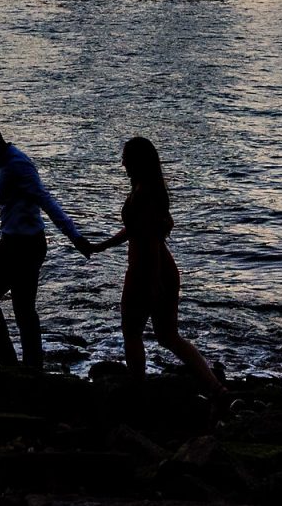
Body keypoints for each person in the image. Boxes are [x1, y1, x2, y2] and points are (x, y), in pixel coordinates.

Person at [82, 136, 226, 402]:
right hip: (159, 270)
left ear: (137, 161)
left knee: (132, 332)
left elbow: (147, 243)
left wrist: (151, 284)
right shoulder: (149, 190)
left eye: (126, 157)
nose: (122, 162)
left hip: (147, 271)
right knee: (169, 336)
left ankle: (138, 391)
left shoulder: (144, 194)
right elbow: (138, 231)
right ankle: (216, 389)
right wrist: (101, 246)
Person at [0, 119, 88, 369]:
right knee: (22, 309)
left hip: (22, 245)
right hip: (18, 242)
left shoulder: (17, 164)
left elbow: (46, 200)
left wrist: (75, 237)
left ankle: (12, 363)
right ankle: (30, 367)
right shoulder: (5, 163)